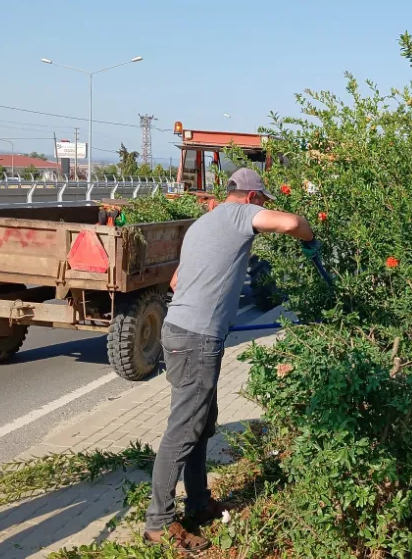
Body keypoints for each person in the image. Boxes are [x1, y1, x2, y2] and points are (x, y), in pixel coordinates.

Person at [144, 168, 319, 554]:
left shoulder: (202, 224)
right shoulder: (238, 214)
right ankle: (158, 522)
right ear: (253, 197)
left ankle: (200, 501)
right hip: (196, 340)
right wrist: (311, 239)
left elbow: (175, 283)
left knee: (202, 424)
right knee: (183, 429)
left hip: (180, 332)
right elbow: (292, 222)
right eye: (261, 202)